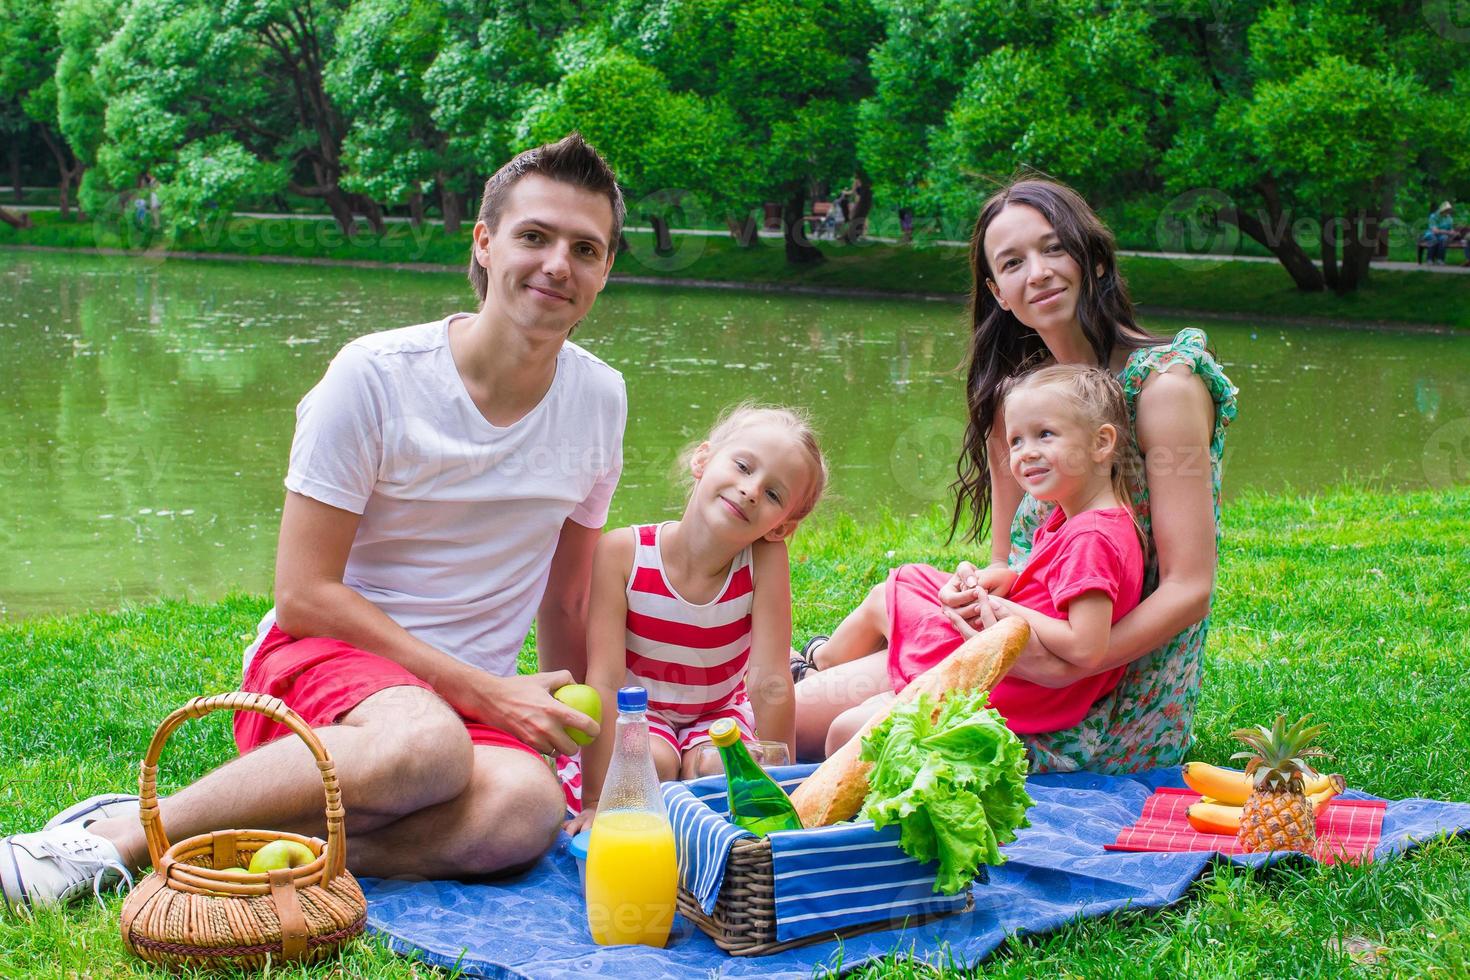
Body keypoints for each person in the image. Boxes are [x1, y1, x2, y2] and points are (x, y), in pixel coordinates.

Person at [2, 133, 630, 911]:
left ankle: (236, 854)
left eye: (585, 248)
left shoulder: (601, 400)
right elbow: (303, 594)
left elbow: (566, 602)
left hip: (469, 707)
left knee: (524, 810)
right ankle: (114, 840)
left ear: (605, 270)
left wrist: (584, 781)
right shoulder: (373, 377)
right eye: (534, 236)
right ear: (485, 241)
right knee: (425, 747)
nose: (557, 265)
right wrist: (485, 692)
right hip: (329, 666)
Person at [793, 176, 1237, 773]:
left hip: (1107, 693)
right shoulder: (1024, 404)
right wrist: (981, 590)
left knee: (847, 735)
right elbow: (1012, 562)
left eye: (1054, 248)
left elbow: (1189, 587)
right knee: (783, 721)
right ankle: (815, 668)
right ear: (998, 291)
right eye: (1013, 262)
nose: (1039, 272)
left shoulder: (1164, 388)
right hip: (1017, 651)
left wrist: (1069, 662)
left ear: (1094, 259)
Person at [800, 365, 1144, 756]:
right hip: (1017, 665)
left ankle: (820, 665)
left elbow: (1086, 647)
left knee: (848, 727)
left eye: (1044, 435)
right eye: (1016, 441)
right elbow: (1060, 595)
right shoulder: (1080, 518)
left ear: (1102, 443)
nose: (1025, 452)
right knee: (907, 584)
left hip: (1018, 686)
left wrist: (1005, 609)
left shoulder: (1092, 536)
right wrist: (1006, 583)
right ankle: (823, 664)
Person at [567, 405, 827, 834]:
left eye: (774, 494)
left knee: (720, 772)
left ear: (781, 527)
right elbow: (606, 682)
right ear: (703, 459)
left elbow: (769, 680)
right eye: (743, 466)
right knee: (653, 767)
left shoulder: (764, 561)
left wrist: (786, 791)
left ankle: (698, 790)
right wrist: (598, 800)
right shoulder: (623, 554)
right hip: (638, 713)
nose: (751, 491)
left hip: (717, 712)